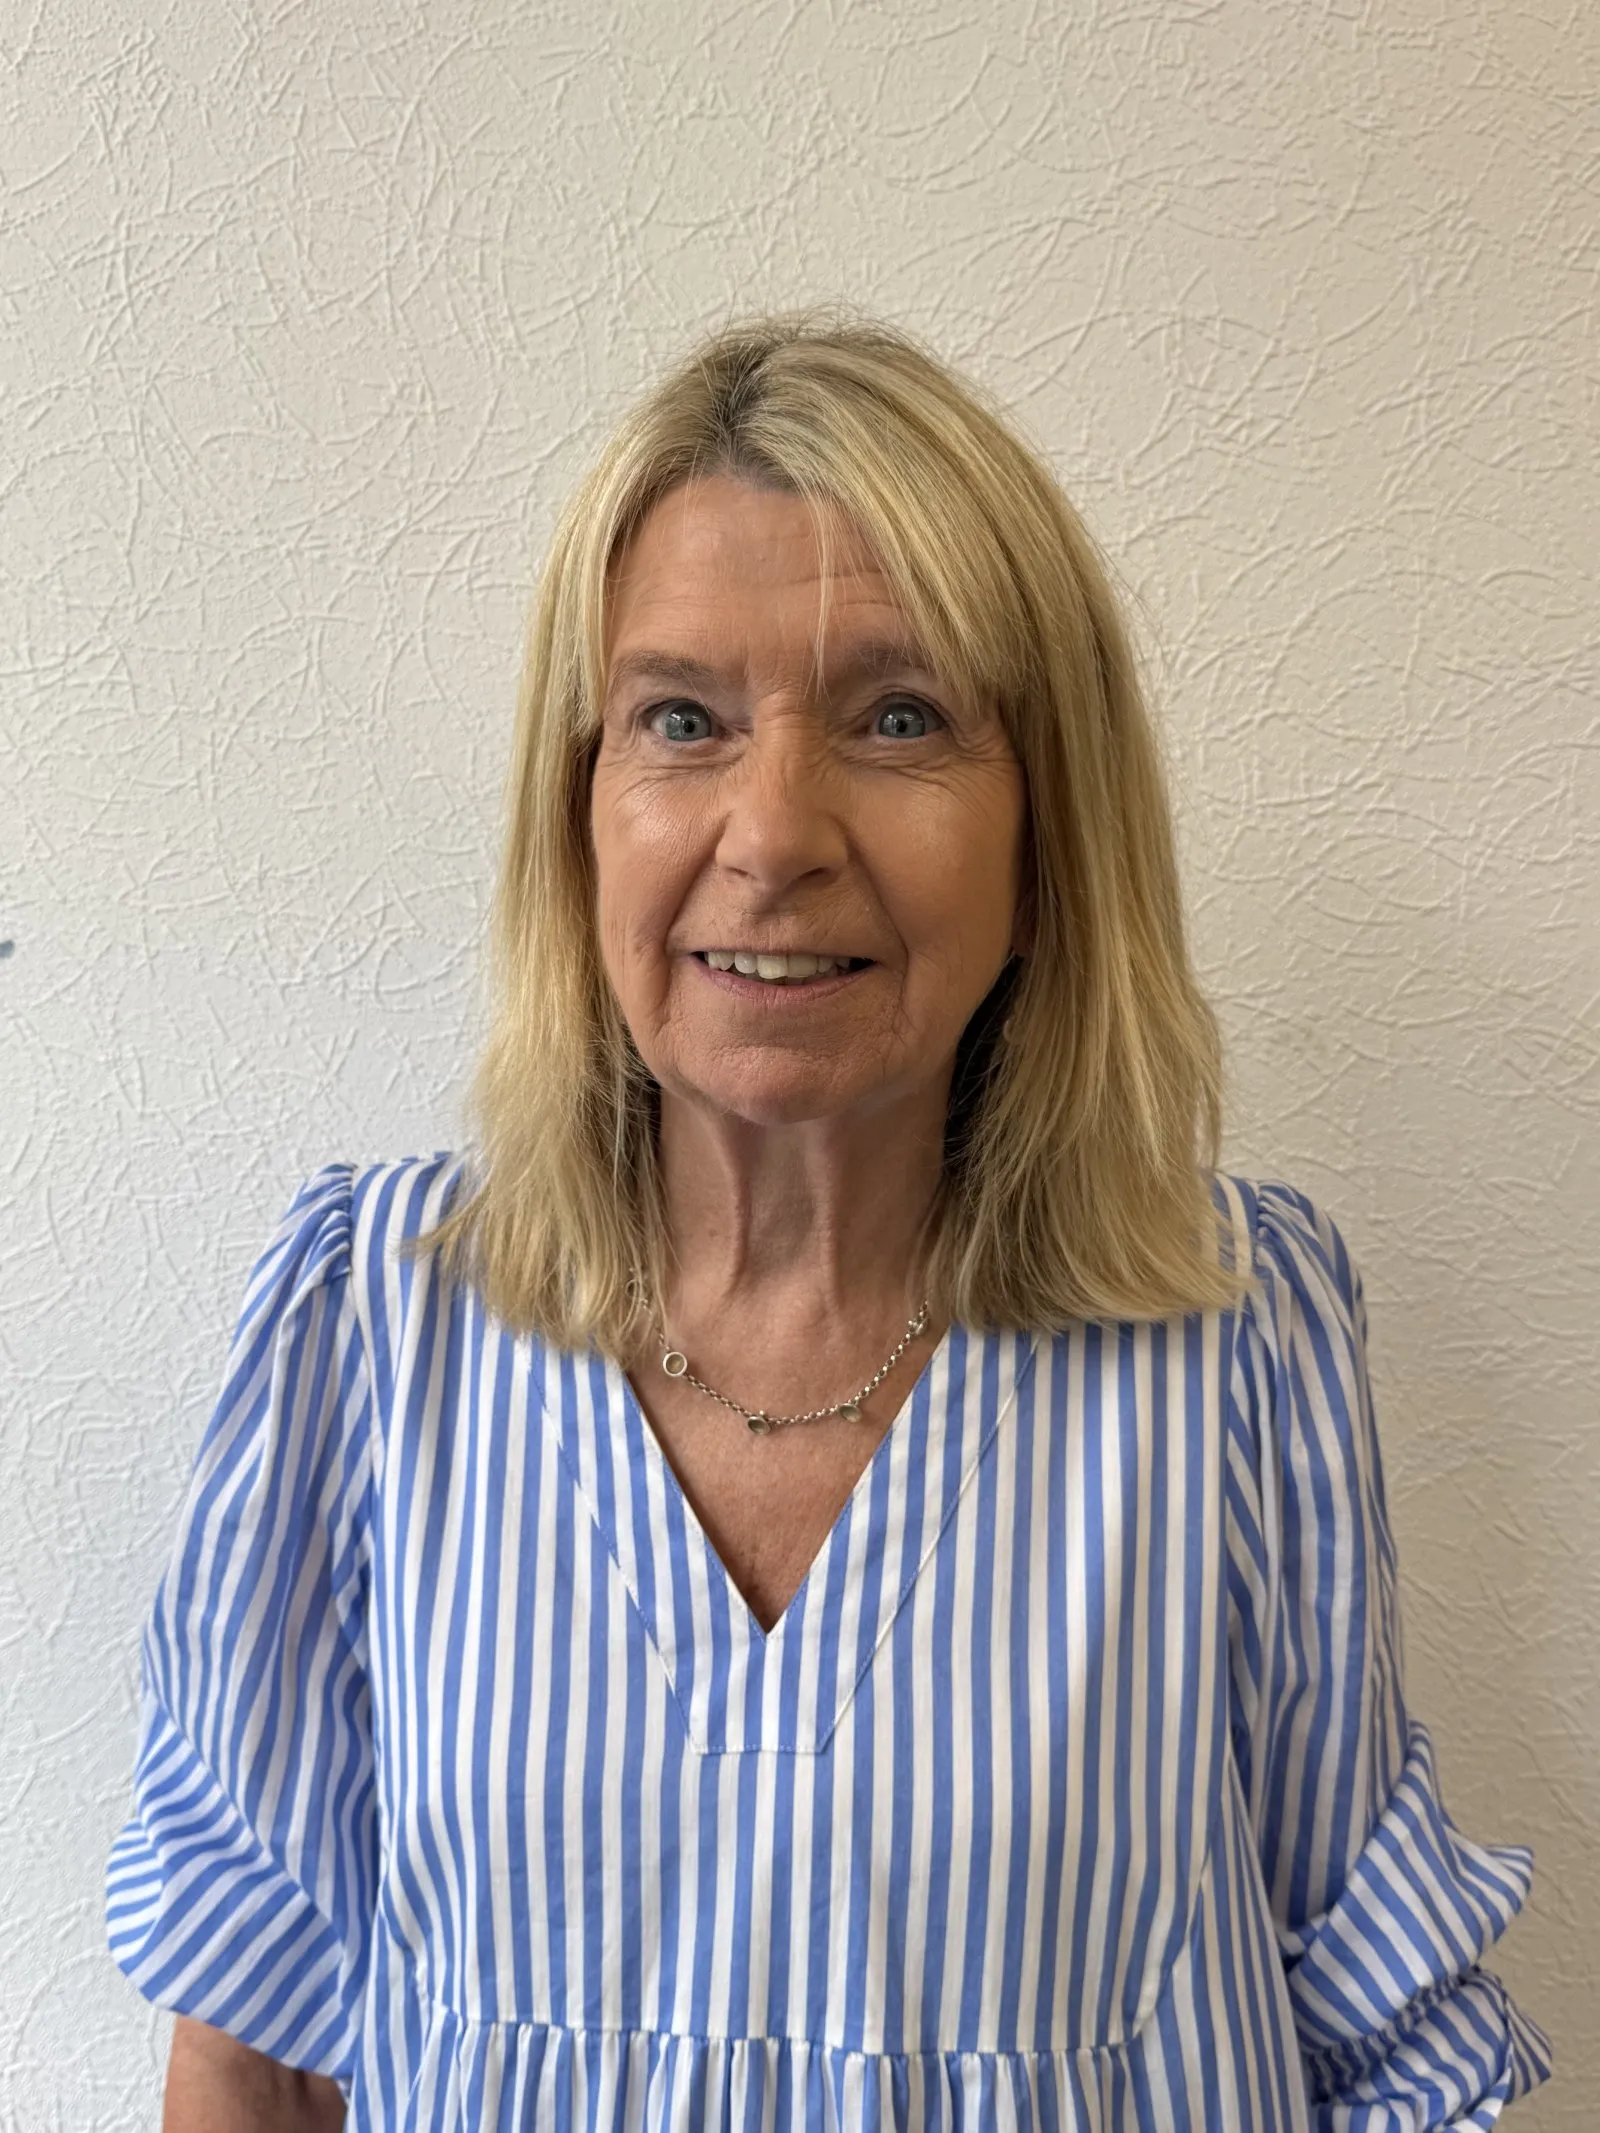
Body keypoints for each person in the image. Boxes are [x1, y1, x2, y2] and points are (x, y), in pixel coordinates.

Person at [105, 313, 1550, 2131]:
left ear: (1052, 838)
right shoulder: (371, 1333)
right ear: (582, 822)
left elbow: (1385, 2053)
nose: (773, 828)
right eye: (681, 720)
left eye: (900, 715)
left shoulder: (1233, 1346)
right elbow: (246, 2060)